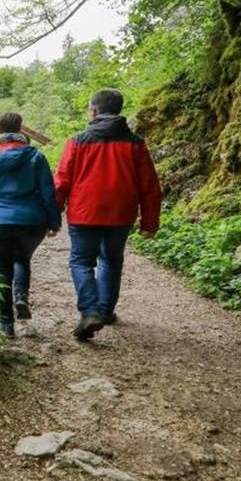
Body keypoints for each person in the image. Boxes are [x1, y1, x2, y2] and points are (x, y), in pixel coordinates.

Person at [54, 88, 162, 341]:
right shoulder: (135, 143)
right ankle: (105, 311)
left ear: (94, 110)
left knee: (81, 261)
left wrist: (53, 214)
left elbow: (61, 182)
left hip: (84, 213)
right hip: (121, 214)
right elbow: (149, 186)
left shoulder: (77, 141)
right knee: (112, 261)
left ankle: (90, 311)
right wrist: (150, 221)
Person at [0, 112, 61, 337]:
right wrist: (54, 221)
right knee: (22, 258)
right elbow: (48, 192)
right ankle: (21, 297)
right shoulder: (35, 156)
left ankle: (5, 324)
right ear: (20, 130)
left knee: (1, 270)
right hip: (32, 221)